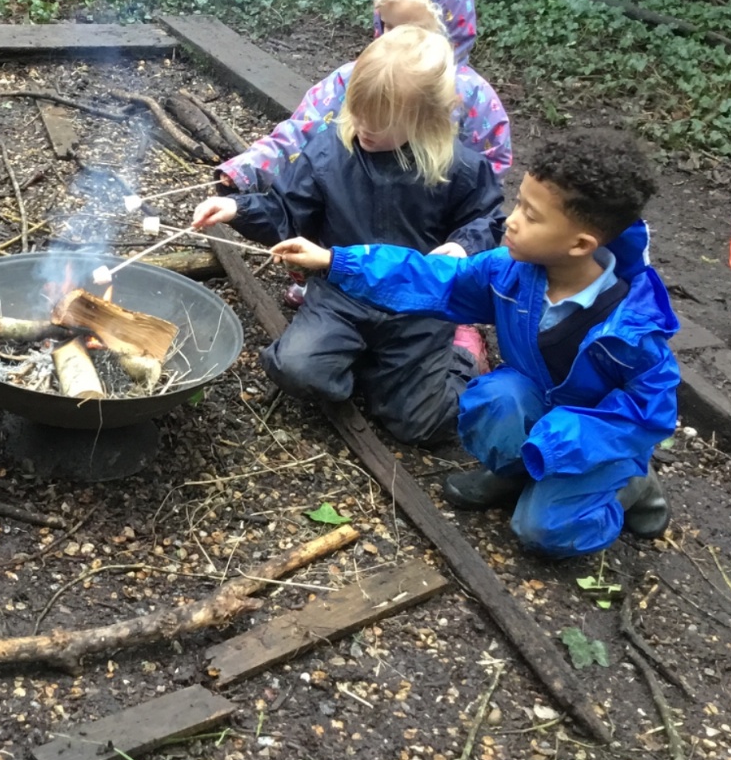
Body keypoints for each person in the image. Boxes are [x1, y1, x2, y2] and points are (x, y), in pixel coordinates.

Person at [316, 130, 677, 557]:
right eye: (518, 203)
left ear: (580, 245)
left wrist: (561, 440)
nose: (511, 220)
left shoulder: (633, 327)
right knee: (497, 398)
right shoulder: (511, 271)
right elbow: (435, 278)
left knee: (543, 532)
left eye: (531, 216)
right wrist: (335, 261)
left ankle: (630, 484)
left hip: (593, 438)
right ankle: (515, 472)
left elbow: (651, 413)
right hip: (542, 409)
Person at [192, 26, 505, 446]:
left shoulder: (458, 167)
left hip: (417, 306)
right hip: (342, 297)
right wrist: (238, 208)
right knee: (296, 369)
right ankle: (374, 366)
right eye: (357, 113)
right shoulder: (329, 153)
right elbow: (287, 211)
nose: (363, 128)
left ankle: (461, 354)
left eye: (380, 124)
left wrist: (464, 245)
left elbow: (486, 218)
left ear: (424, 118)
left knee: (420, 424)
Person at [218, 0, 512, 192]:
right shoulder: (359, 77)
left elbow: (487, 179)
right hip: (347, 219)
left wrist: (463, 233)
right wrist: (248, 169)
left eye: (413, 30)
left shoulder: (470, 97)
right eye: (389, 26)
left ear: (450, 29)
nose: (396, 39)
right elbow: (302, 133)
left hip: (424, 235)